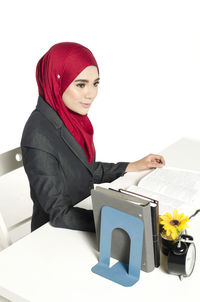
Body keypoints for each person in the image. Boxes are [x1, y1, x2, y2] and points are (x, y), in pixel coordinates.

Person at [21, 42, 165, 232]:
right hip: (54, 234)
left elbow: (83, 169)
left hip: (80, 214)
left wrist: (133, 166)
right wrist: (118, 222)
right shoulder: (38, 135)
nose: (91, 94)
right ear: (56, 81)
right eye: (80, 84)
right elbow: (58, 214)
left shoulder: (68, 118)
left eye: (95, 83)